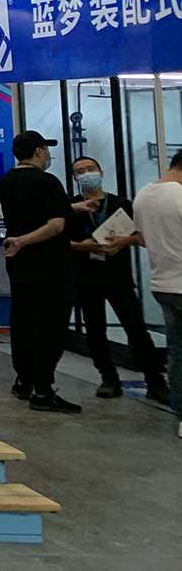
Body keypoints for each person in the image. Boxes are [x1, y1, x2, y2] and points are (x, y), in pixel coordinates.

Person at [66, 155, 168, 401]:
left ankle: (154, 380)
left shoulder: (121, 205)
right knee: (95, 330)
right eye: (80, 171)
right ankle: (108, 378)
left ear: (101, 171)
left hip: (118, 276)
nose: (87, 174)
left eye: (91, 168)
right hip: (86, 276)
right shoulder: (70, 208)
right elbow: (59, 242)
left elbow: (144, 237)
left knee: (135, 327)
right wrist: (82, 246)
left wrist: (124, 241)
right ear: (75, 178)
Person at [0, 130, 79, 413]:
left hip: (19, 265)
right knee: (50, 326)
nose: (48, 155)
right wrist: (24, 241)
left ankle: (24, 380)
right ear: (39, 151)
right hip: (50, 264)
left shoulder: (6, 182)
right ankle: (43, 390)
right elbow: (55, 225)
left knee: (23, 321)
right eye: (46, 149)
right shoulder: (48, 182)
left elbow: (35, 210)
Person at [132, 148, 182, 433]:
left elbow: (142, 238)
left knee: (177, 351)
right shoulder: (179, 195)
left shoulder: (143, 195)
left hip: (162, 283)